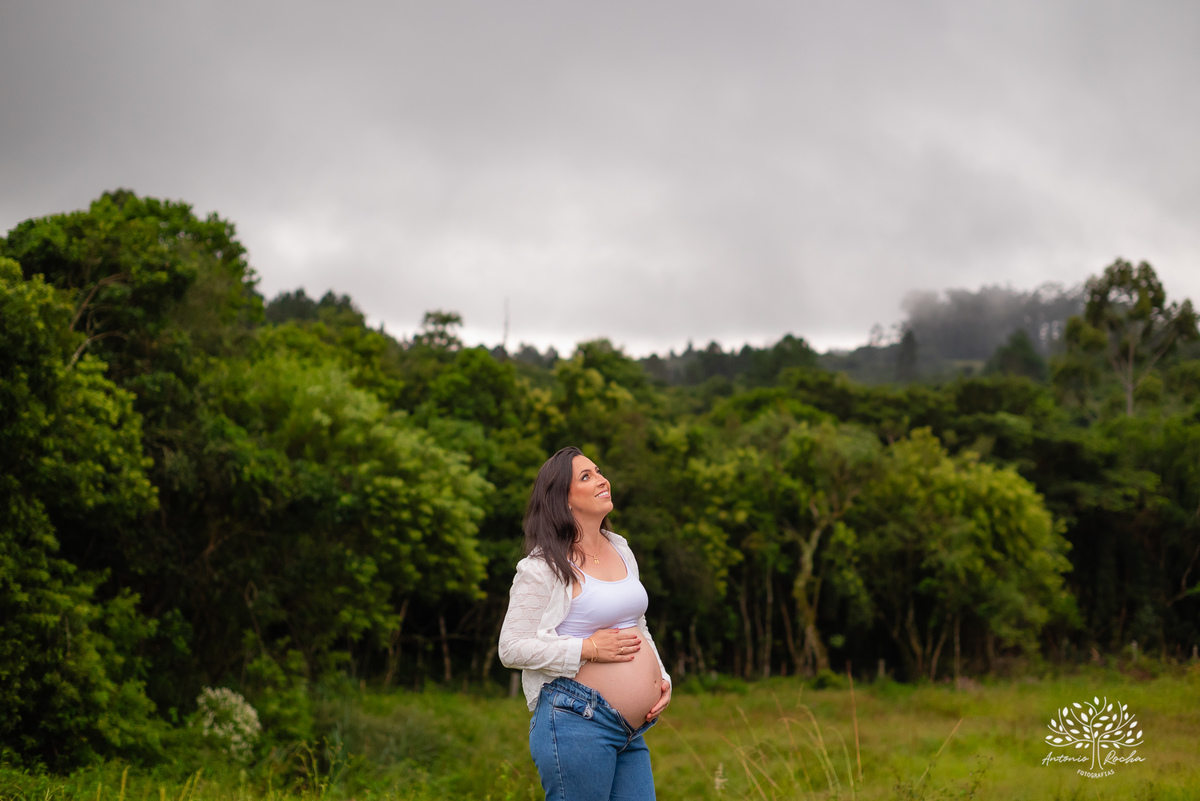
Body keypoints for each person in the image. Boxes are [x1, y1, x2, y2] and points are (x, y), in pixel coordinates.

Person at [499, 446, 671, 801]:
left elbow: (637, 623)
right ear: (563, 500)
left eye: (598, 470)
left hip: (629, 731)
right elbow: (511, 647)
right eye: (586, 476)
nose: (602, 479)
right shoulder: (542, 566)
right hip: (576, 722)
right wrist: (588, 649)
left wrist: (661, 677)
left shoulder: (620, 547)